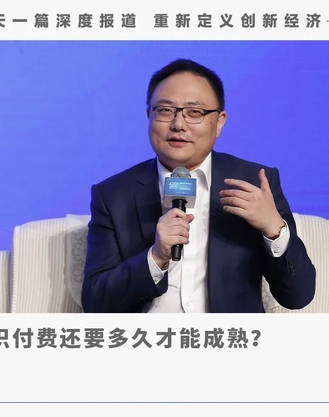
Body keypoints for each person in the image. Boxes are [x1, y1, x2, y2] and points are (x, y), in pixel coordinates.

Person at [82, 58, 316, 313]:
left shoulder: (254, 183)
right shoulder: (113, 195)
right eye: (165, 110)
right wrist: (156, 257)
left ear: (219, 122)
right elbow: (96, 303)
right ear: (149, 115)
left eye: (194, 112)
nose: (178, 124)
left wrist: (273, 230)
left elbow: (298, 296)